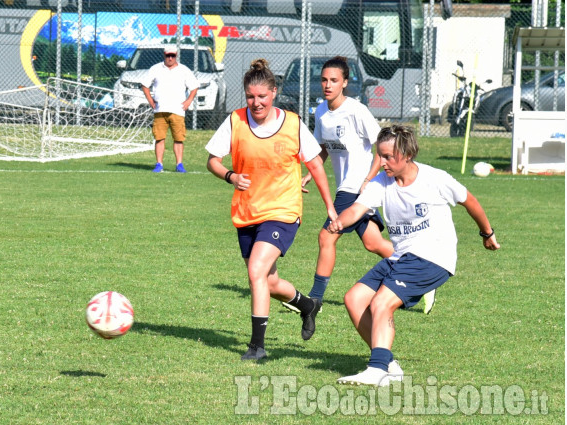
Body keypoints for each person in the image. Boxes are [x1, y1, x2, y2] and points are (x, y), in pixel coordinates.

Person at [327, 125, 500, 386]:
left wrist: (487, 234)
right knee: (354, 299)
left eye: (387, 156)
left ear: (407, 154)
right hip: (403, 257)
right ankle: (388, 365)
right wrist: (340, 222)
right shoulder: (381, 183)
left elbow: (470, 201)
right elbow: (358, 208)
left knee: (381, 303)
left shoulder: (435, 179)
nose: (382, 162)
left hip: (433, 256)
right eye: (379, 155)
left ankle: (375, 371)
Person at [205, 59, 338, 361]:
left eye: (262, 96)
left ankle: (257, 347)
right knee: (269, 280)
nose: (256, 102)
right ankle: (307, 306)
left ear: (274, 93)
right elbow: (212, 160)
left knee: (255, 271)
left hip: (283, 209)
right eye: (251, 97)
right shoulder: (235, 121)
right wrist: (230, 176)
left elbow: (315, 165)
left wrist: (330, 208)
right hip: (247, 211)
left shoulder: (292, 123)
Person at [282, 56, 393, 314]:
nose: (328, 85)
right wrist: (310, 173)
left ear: (344, 83)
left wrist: (367, 180)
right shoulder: (321, 111)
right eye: (324, 80)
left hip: (356, 187)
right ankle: (416, 266)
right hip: (347, 185)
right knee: (373, 243)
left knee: (326, 236)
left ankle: (314, 301)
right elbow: (322, 149)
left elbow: (382, 146)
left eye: (334, 80)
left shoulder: (356, 110)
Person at [142, 45, 199, 173]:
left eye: (173, 55)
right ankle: (159, 164)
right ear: (164, 55)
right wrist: (150, 100)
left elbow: (194, 87)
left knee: (178, 138)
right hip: (160, 110)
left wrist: (189, 100)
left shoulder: (184, 70)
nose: (170, 58)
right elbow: (145, 85)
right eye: (168, 55)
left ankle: (179, 164)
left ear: (176, 56)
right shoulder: (155, 69)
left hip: (177, 110)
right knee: (159, 138)